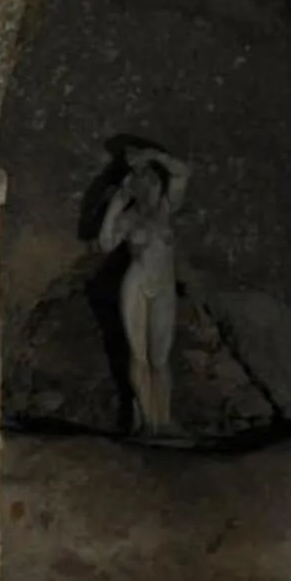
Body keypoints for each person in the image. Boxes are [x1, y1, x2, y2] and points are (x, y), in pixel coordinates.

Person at [92, 142, 190, 439]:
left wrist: (154, 155)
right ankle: (148, 420)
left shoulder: (166, 209)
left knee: (160, 356)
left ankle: (163, 418)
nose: (148, 187)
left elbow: (183, 172)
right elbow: (105, 243)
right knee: (139, 355)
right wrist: (115, 206)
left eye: (152, 181)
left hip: (163, 284)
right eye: (142, 182)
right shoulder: (129, 218)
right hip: (136, 281)